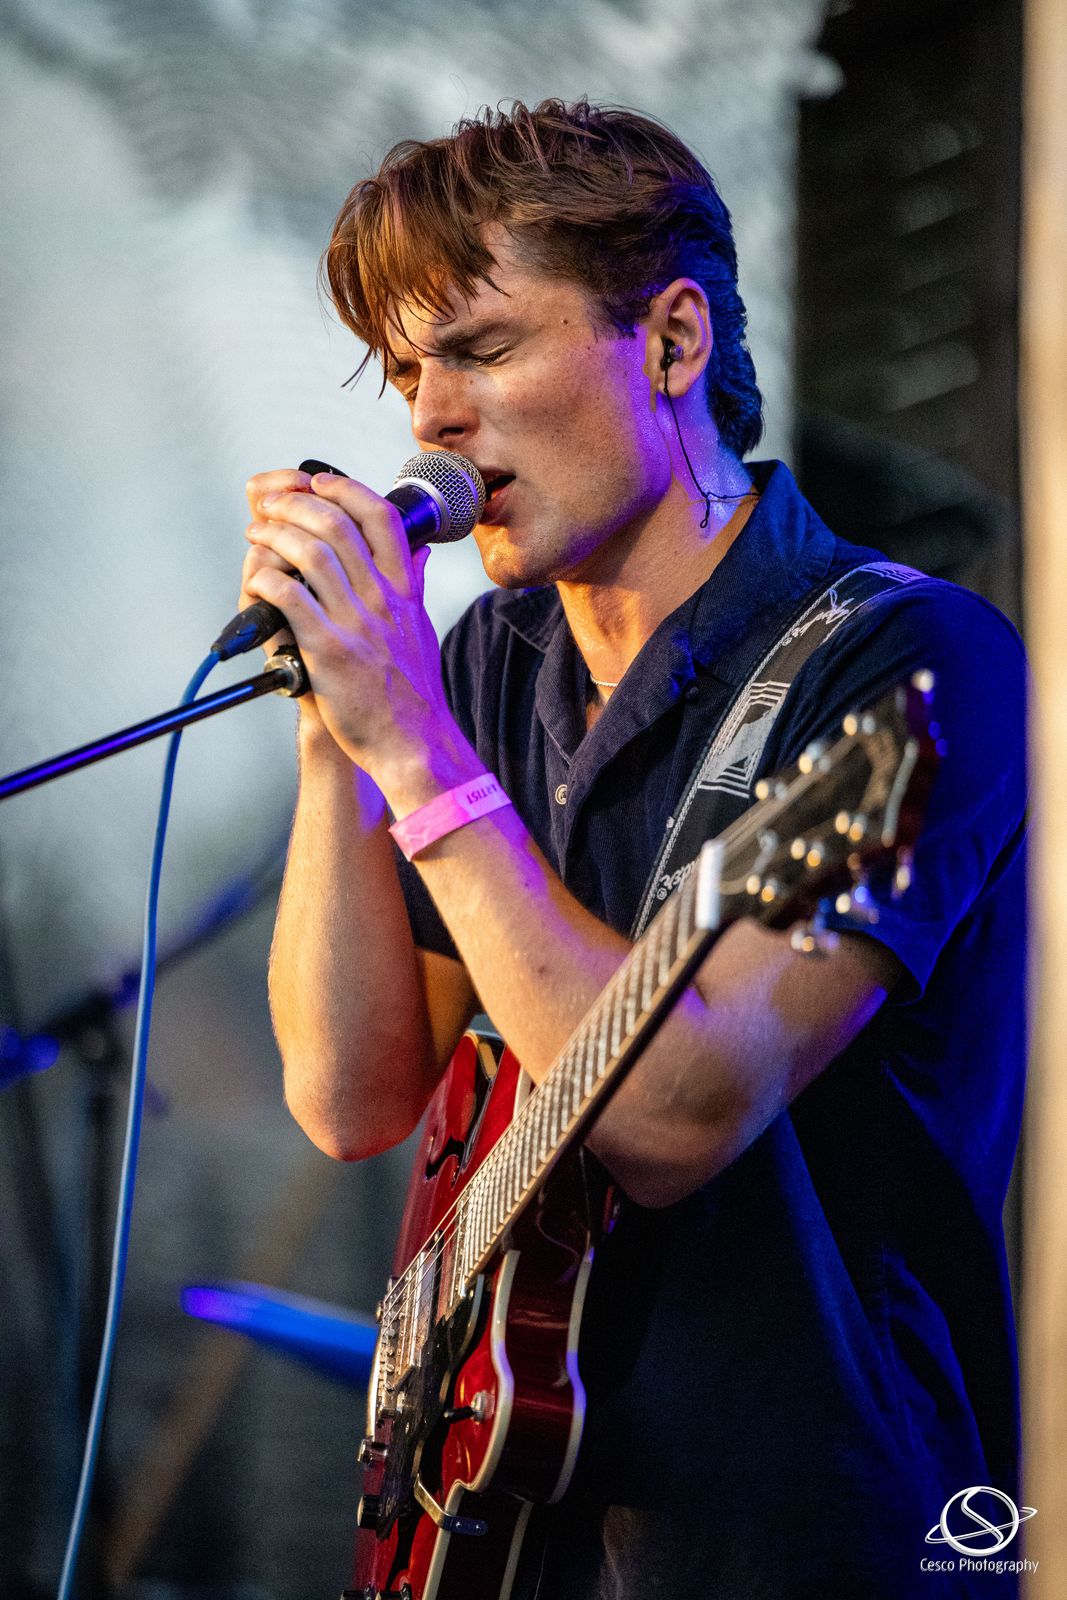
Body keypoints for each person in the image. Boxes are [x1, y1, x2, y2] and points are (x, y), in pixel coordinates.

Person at [239, 100, 1027, 1598]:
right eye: (406, 372)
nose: (429, 417)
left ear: (670, 342)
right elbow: (351, 1096)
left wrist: (415, 749)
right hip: (510, 1515)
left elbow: (672, 1120)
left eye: (480, 350)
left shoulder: (913, 663)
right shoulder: (488, 665)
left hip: (802, 1533)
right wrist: (334, 727)